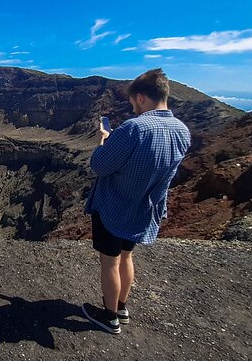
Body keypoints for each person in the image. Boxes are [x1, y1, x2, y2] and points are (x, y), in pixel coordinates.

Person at [81, 68, 191, 334]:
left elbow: (100, 166)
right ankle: (121, 307)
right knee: (126, 257)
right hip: (144, 208)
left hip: (114, 207)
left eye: (133, 103)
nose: (133, 108)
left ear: (141, 97)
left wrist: (103, 142)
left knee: (109, 262)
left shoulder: (134, 128)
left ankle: (109, 318)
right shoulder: (182, 131)